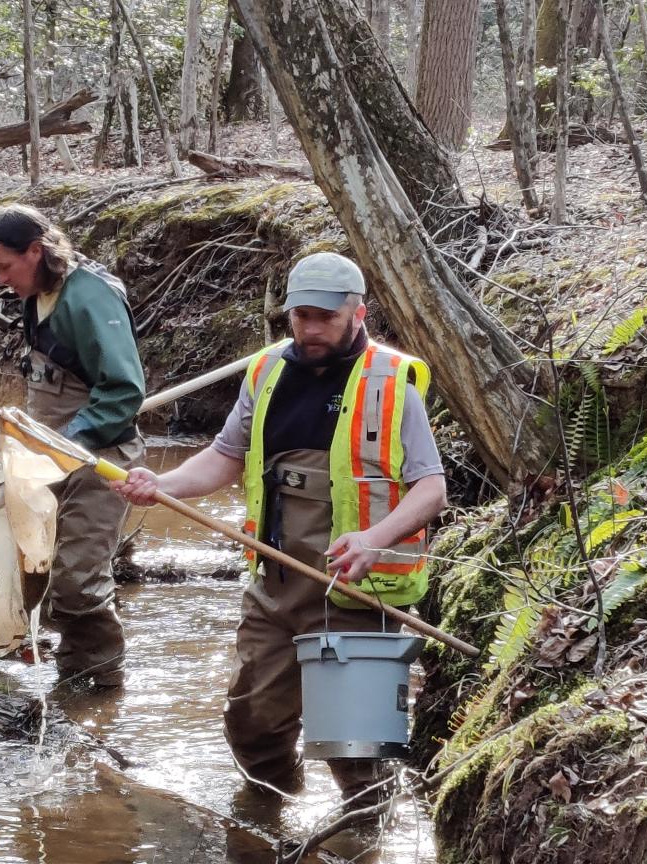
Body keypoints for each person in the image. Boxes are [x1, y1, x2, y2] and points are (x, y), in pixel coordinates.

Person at [112, 251, 448, 811]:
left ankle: (363, 838)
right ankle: (273, 819)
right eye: (300, 317)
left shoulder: (393, 383)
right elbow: (224, 457)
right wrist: (163, 483)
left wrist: (372, 538)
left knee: (358, 754)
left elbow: (431, 489)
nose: (311, 331)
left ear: (358, 313)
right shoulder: (267, 371)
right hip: (276, 584)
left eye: (325, 318)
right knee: (251, 729)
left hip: (359, 592)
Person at [0, 204, 145, 688]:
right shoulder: (39, 294)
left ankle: (102, 688)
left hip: (99, 463)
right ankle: (74, 682)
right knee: (43, 576)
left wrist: (63, 444)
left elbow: (123, 390)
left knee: (76, 583)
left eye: (5, 267)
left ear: (36, 251)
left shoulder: (89, 297)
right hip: (50, 461)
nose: (1, 280)